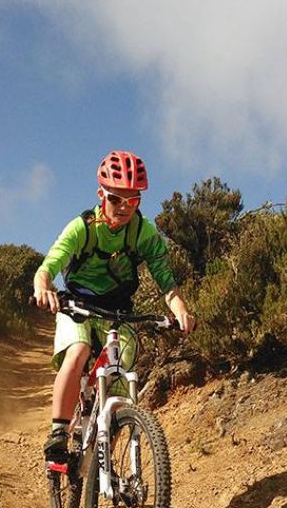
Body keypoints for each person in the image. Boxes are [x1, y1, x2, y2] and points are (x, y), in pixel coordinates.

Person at [33, 149, 195, 461]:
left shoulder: (143, 232)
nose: (123, 208)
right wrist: (43, 287)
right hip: (77, 305)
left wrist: (180, 310)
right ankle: (59, 430)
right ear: (100, 195)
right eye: (115, 199)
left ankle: (105, 431)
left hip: (119, 310)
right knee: (79, 352)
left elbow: (165, 280)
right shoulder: (83, 227)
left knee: (121, 375)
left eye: (132, 201)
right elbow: (50, 265)